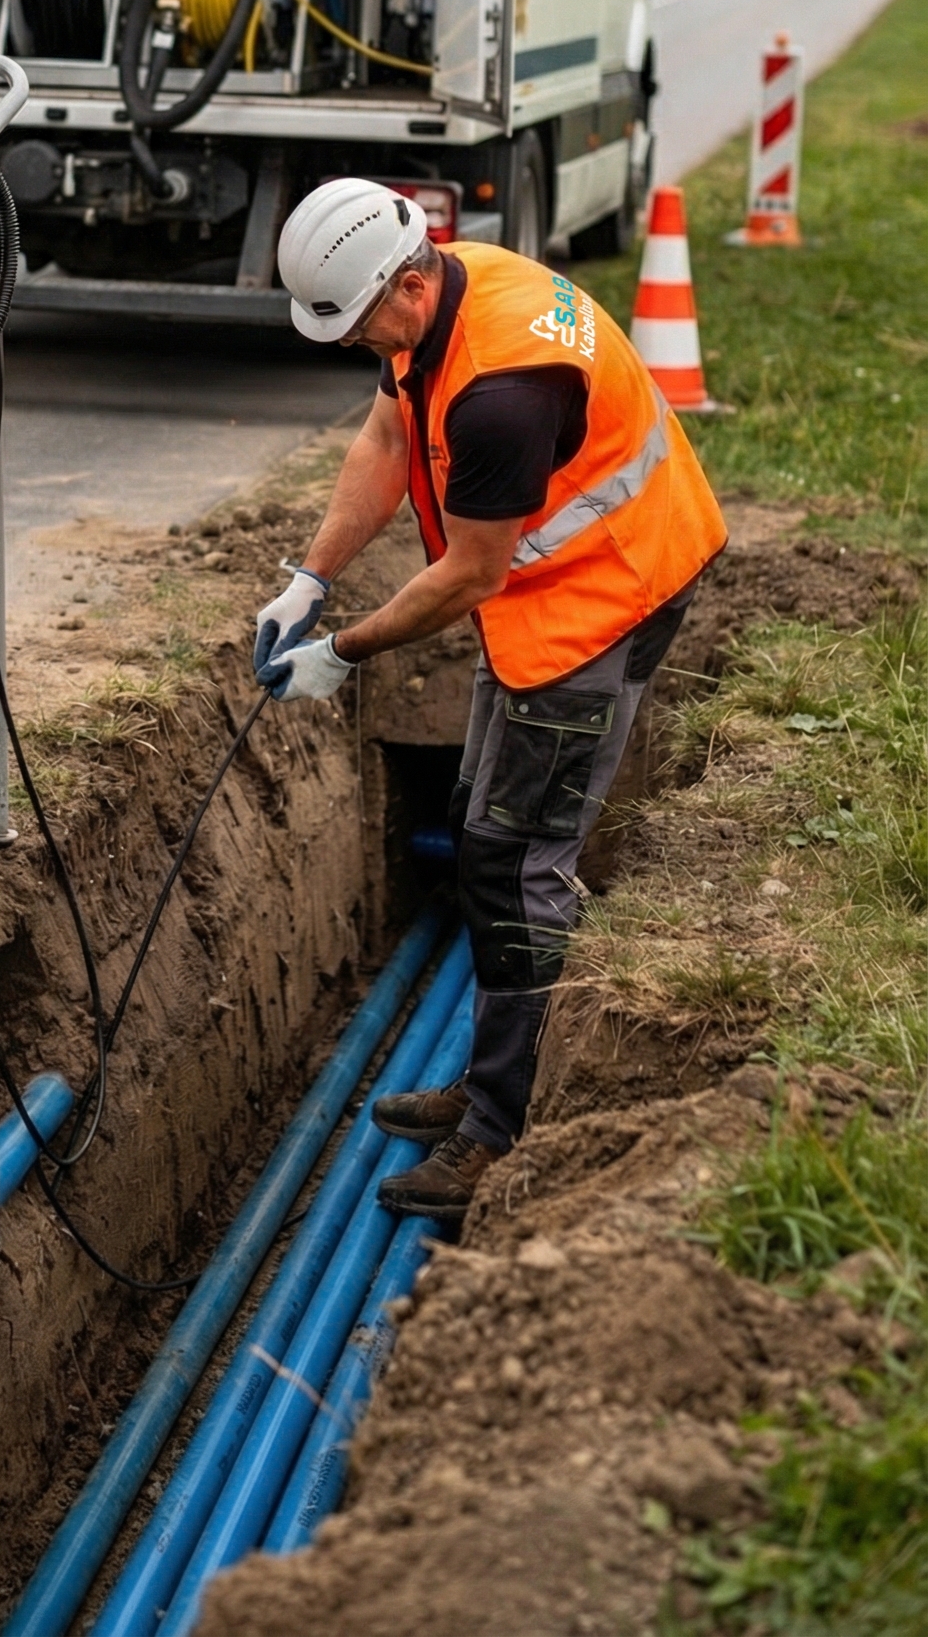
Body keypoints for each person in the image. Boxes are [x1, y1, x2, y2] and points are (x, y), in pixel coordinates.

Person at [254, 179, 726, 1216]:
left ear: (411, 285)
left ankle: (499, 1131)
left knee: (515, 857)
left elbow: (470, 571)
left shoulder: (503, 386)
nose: (347, 345)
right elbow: (385, 442)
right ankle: (492, 1074)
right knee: (480, 824)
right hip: (552, 594)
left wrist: (343, 648)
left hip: (604, 598)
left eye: (353, 323)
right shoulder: (448, 297)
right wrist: (310, 575)